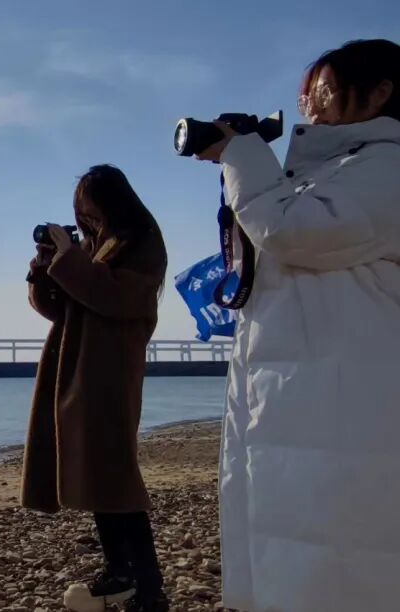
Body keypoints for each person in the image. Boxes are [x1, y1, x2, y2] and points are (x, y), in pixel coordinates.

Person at [194, 39, 400, 611]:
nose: (311, 103)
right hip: (296, 393)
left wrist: (241, 153)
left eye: (324, 89)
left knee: (342, 552)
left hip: (345, 399)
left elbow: (295, 232)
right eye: (307, 94)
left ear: (380, 92)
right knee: (292, 538)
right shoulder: (335, 170)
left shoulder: (388, 166)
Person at [20, 165, 170, 612]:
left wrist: (71, 260)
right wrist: (43, 269)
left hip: (109, 371)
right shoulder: (95, 246)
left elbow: (119, 297)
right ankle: (120, 571)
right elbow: (62, 308)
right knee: (97, 476)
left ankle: (149, 586)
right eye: (79, 210)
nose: (83, 216)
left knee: (115, 476)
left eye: (88, 206)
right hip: (78, 369)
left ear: (110, 200)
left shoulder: (141, 241)